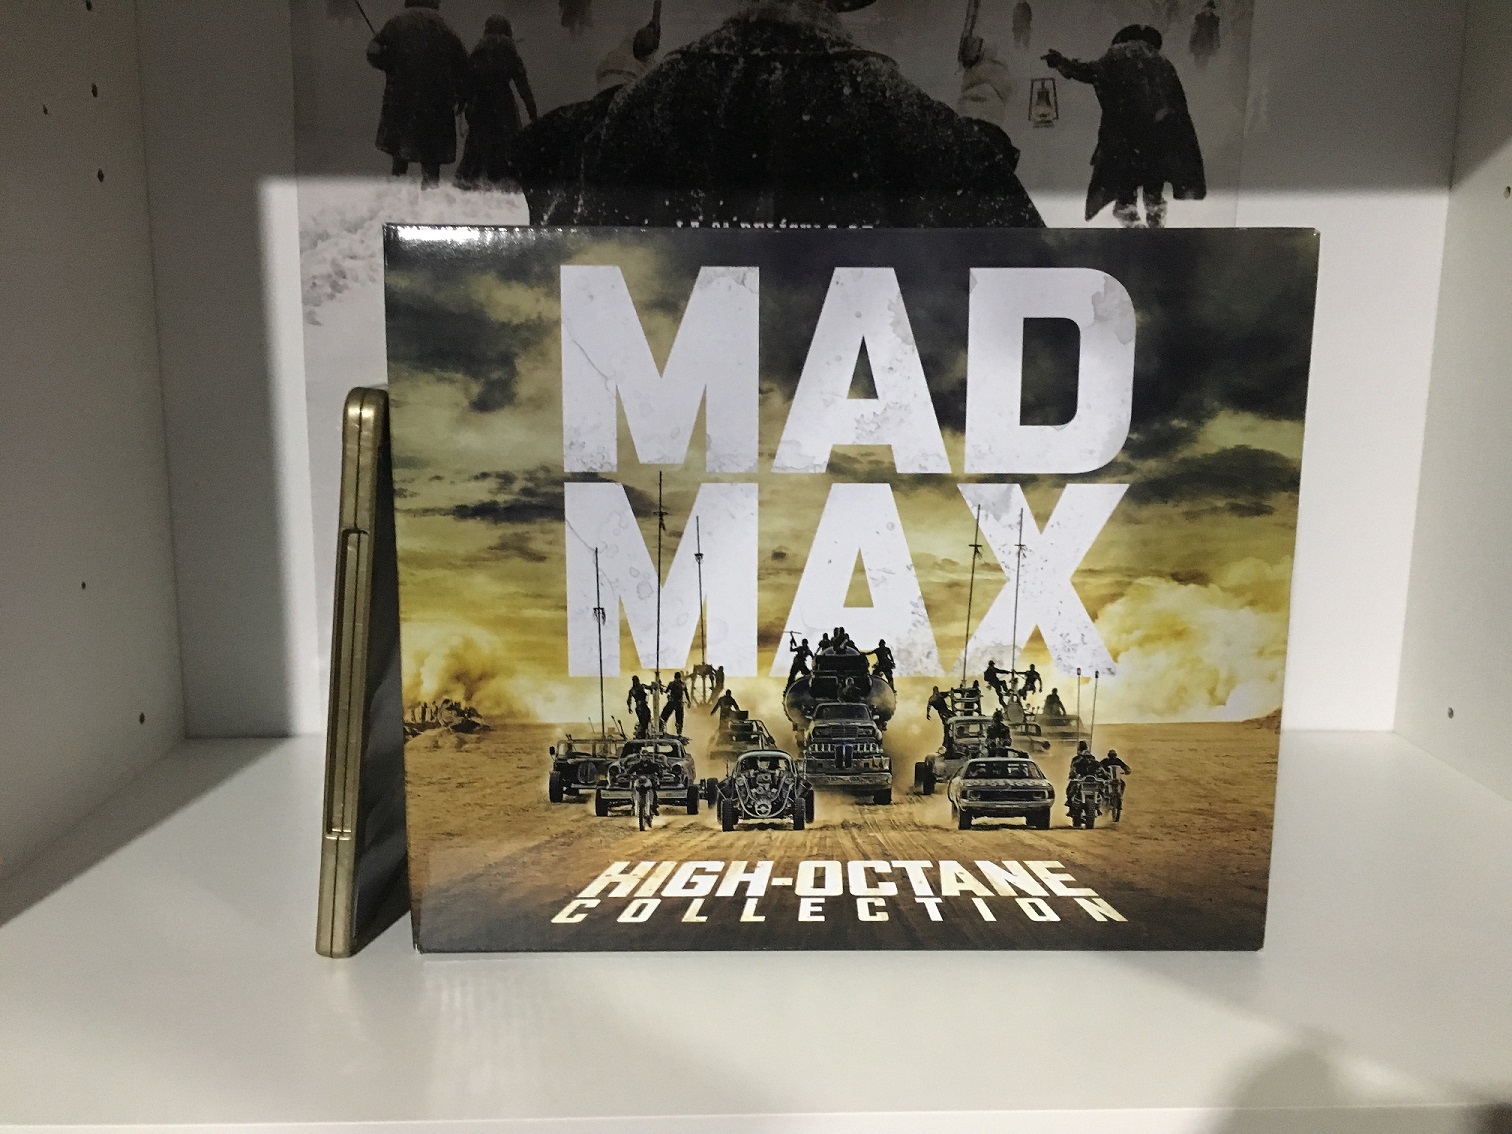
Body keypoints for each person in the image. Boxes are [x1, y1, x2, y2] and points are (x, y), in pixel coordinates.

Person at [524, 0, 1042, 228]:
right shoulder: (894, 110)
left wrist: (621, 80)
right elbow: (994, 231)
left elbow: (568, 193)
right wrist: (983, 100)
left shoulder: (649, 106)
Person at [1044, 25, 1205, 228]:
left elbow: (1088, 72)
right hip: (1158, 135)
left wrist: (1061, 63)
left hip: (1124, 137)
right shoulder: (1162, 63)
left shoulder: (1117, 57)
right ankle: (1155, 214)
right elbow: (1177, 104)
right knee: (1153, 175)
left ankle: (1129, 215)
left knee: (1125, 177)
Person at [367, 0, 468, 188]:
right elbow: (461, 63)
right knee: (431, 154)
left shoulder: (396, 22)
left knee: (399, 150)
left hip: (401, 96)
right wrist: (460, 96)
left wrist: (388, 63)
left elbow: (372, 52)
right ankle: (430, 190)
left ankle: (397, 189)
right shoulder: (443, 26)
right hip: (436, 99)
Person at [455, 16, 537, 189]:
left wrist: (462, 103)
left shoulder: (479, 51)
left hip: (481, 103)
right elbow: (523, 86)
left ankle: (468, 179)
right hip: (503, 103)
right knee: (505, 143)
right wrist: (532, 112)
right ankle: (502, 178)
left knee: (477, 143)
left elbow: (468, 80)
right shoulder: (509, 51)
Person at [1190, 1, 1221, 69]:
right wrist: (1191, 41)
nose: (1209, 9)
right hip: (1198, 41)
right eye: (1208, 7)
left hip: (1208, 42)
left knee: (1205, 58)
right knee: (1197, 57)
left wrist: (1216, 44)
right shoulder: (1199, 17)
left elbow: (1215, 32)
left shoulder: (1214, 19)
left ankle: (1202, 70)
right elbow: (1194, 30)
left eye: (1211, 8)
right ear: (1205, 8)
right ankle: (1198, 69)